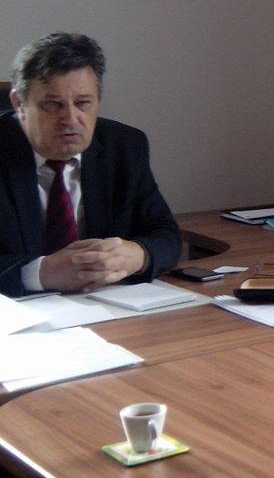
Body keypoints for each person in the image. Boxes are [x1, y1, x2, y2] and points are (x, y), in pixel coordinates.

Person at [0, 32, 181, 297]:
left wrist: (137, 255)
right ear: (19, 104)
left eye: (83, 103)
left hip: (107, 308)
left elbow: (166, 234)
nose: (70, 118)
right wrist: (40, 273)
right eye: (53, 105)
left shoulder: (124, 146)